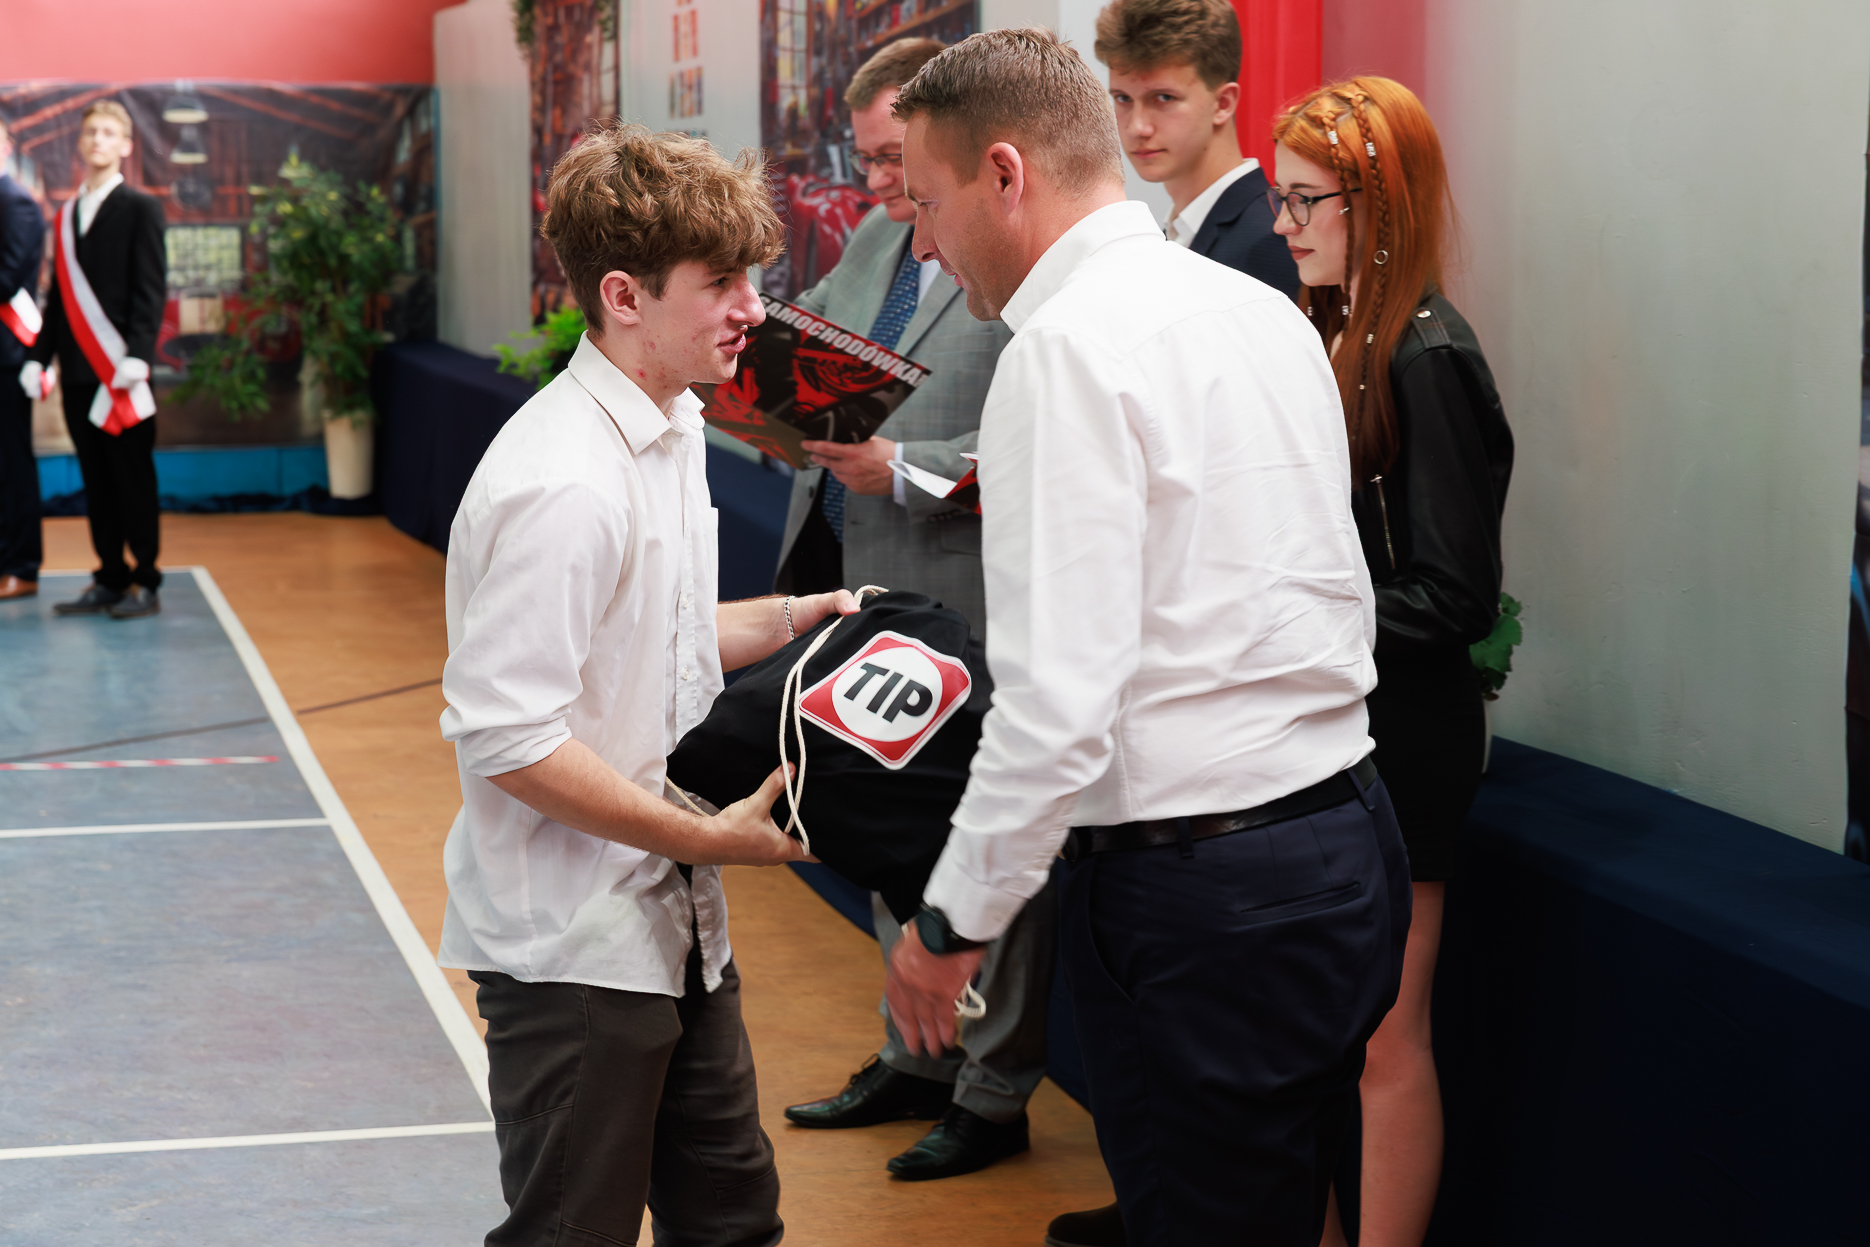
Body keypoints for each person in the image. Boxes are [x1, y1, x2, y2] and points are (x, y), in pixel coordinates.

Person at [883, 29, 1411, 1247]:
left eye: (925, 201)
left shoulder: (1064, 352)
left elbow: (1057, 704)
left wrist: (951, 925)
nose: (922, 244)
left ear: (1005, 174)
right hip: (1344, 840)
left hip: (1203, 889)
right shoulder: (1259, 310)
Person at [437, 122, 856, 1247]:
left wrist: (800, 615)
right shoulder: (564, 482)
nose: (753, 308)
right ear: (624, 296)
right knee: (571, 1229)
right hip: (574, 943)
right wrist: (706, 837)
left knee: (732, 1219)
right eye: (721, 283)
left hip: (673, 921)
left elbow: (655, 635)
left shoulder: (669, 423)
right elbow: (510, 737)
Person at [773, 37, 1058, 1185]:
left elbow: (1036, 441)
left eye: (898, 159)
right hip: (866, 588)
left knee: (979, 845)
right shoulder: (873, 241)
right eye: (868, 159)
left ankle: (993, 1092)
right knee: (891, 828)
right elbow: (807, 337)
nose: (884, 182)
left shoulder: (1026, 268)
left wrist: (902, 467)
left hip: (968, 594)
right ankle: (915, 1057)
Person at [1269, 78, 1513, 1247]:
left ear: (1377, 204)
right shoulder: (1327, 332)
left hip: (1403, 731)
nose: (1284, 224)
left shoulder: (1427, 352)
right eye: (1280, 199)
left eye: (1303, 200)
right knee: (1310, 1035)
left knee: (1382, 1035)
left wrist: (1286, 620)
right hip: (1327, 716)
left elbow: (1454, 591)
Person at [23, 100, 166, 620]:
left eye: (109, 132)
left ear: (126, 145)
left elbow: (152, 289)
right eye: (91, 132)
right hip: (80, 374)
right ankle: (109, 576)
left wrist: (138, 355)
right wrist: (39, 357)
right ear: (80, 144)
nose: (98, 140)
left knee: (133, 477)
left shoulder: (142, 208)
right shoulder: (65, 216)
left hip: (122, 373)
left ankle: (145, 578)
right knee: (96, 479)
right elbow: (59, 300)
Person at [1093, 0, 1297, 294]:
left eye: (1164, 98)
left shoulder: (1273, 239)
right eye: (1123, 98)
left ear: (1223, 104)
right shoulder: (1174, 233)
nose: (1137, 127)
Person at [0, 118, 46, 601]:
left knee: (11, 463)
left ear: (7, 146)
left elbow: (8, 279)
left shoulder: (15, 202)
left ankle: (22, 565)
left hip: (6, 354)